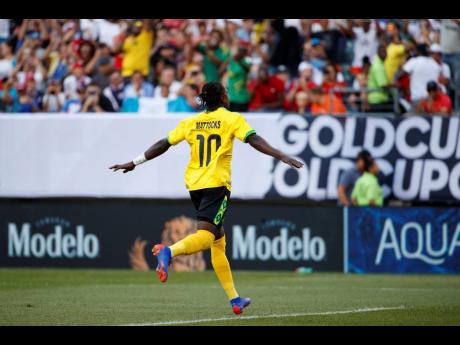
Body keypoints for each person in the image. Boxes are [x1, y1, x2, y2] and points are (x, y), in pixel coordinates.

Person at [110, 81, 303, 315]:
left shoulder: (191, 121)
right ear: (222, 97)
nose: (228, 95)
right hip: (217, 185)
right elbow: (254, 140)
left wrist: (134, 162)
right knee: (205, 236)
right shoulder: (232, 118)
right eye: (227, 92)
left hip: (195, 185)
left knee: (218, 241)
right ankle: (169, 252)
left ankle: (235, 299)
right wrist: (281, 155)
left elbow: (164, 144)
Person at [401, 43, 442, 108]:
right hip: (432, 99)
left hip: (418, 98)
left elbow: (401, 73)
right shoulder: (435, 64)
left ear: (418, 51)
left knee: (414, 118)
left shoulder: (414, 61)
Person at [367, 44, 394, 112]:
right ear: (378, 53)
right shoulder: (378, 66)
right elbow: (383, 85)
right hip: (378, 101)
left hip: (378, 100)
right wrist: (396, 85)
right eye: (382, 52)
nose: (384, 54)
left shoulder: (380, 63)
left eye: (385, 52)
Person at [226, 45, 251, 112]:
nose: (240, 53)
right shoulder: (231, 61)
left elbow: (247, 70)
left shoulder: (247, 61)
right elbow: (221, 71)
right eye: (239, 51)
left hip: (242, 97)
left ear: (245, 53)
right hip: (231, 97)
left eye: (242, 51)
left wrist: (239, 61)